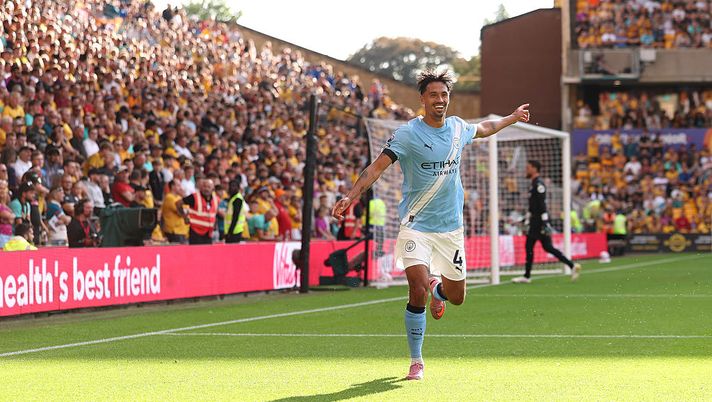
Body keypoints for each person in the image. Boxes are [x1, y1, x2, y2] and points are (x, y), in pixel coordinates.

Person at [331, 70, 530, 381]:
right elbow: (375, 169)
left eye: (444, 95)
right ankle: (416, 360)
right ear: (422, 99)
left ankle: (440, 291)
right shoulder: (408, 134)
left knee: (458, 296)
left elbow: (487, 127)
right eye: (434, 95)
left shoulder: (457, 128)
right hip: (416, 225)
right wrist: (351, 196)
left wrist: (512, 117)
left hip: (450, 229)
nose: (440, 100)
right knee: (416, 289)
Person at [512, 160, 582, 284]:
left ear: (534, 168)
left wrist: (544, 221)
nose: (526, 170)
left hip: (538, 222)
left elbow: (542, 203)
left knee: (529, 246)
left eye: (528, 167)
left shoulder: (538, 184)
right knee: (547, 247)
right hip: (535, 220)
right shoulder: (534, 183)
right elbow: (533, 206)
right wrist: (525, 218)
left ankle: (527, 276)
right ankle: (572, 265)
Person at [178, 177, 218, 245]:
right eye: (204, 186)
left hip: (208, 233)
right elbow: (178, 203)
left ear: (213, 189)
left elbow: (214, 213)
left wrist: (214, 223)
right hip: (196, 233)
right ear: (201, 187)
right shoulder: (194, 197)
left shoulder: (216, 199)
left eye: (209, 187)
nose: (206, 189)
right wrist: (184, 216)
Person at [161, 180, 190, 244]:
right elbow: (182, 212)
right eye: (178, 185)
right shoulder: (169, 198)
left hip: (182, 230)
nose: (181, 188)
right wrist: (186, 210)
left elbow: (188, 209)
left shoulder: (179, 197)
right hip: (174, 231)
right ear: (172, 186)